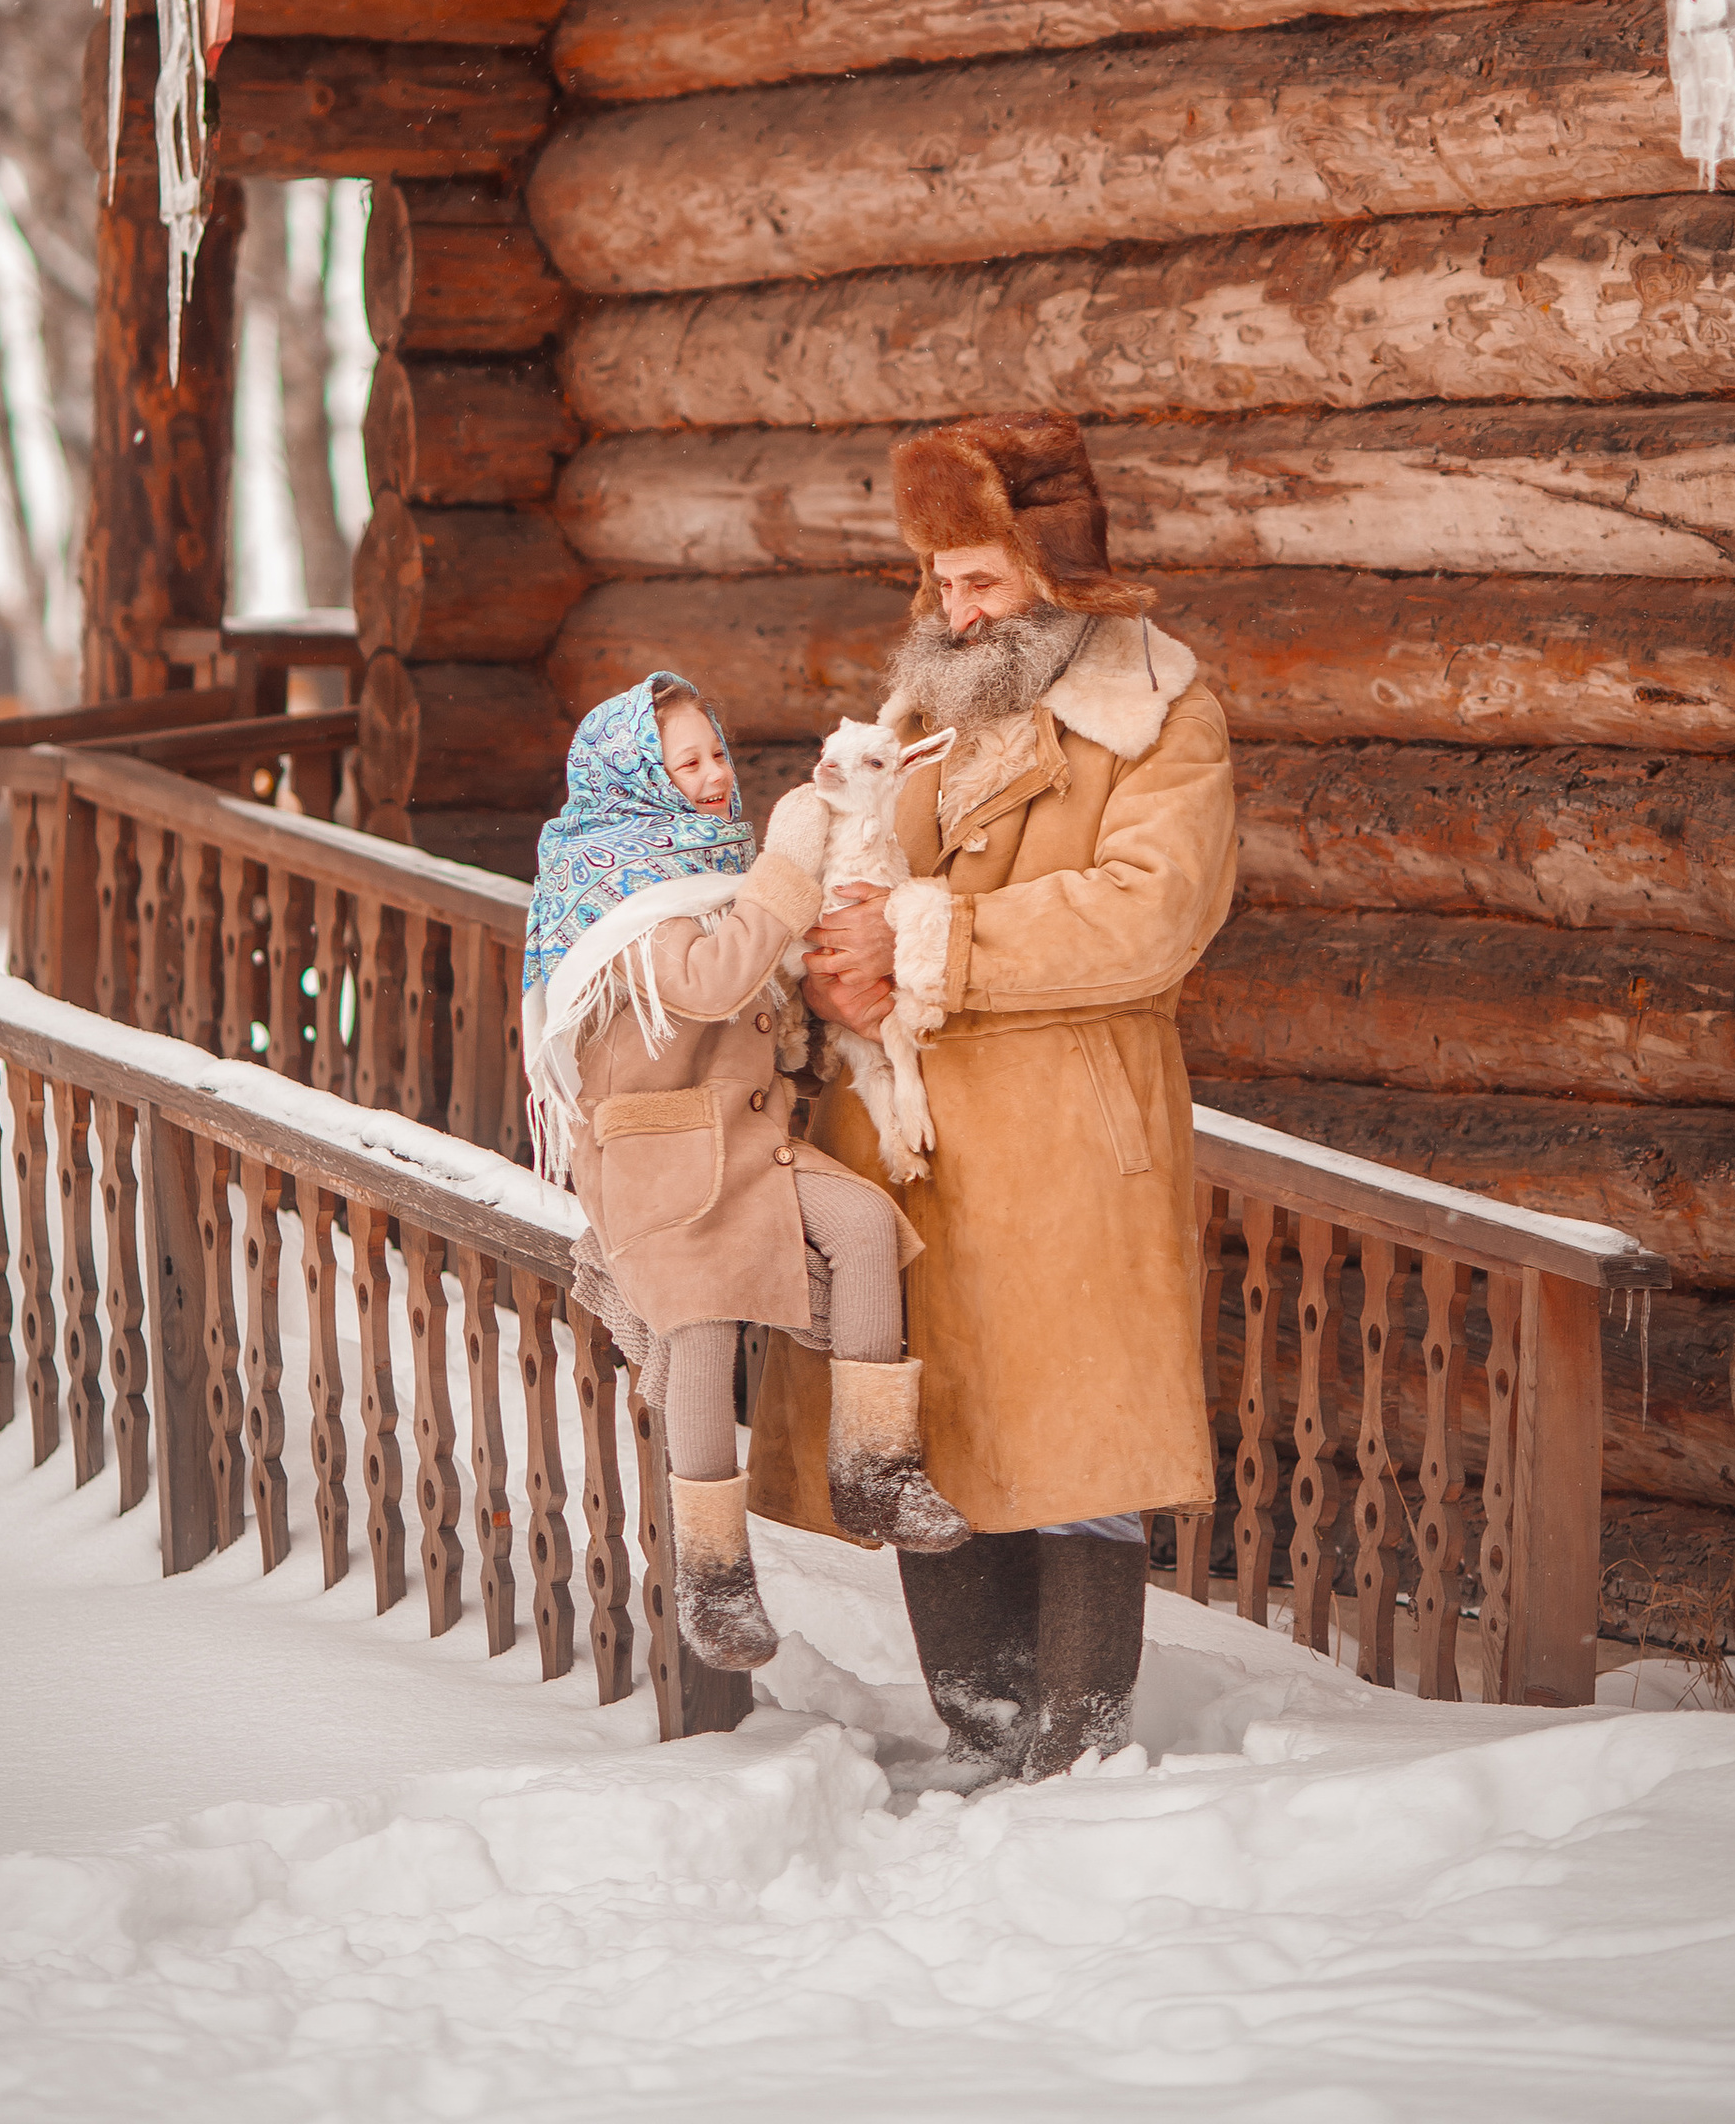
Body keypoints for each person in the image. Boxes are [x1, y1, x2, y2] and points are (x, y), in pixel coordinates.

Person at [745, 411, 1237, 1778]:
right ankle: (980, 1736)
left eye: (980, 581)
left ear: (1056, 575)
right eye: (940, 582)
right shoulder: (916, 719)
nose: (951, 612)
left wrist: (916, 945)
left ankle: (1075, 1754)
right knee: (937, 1436)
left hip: (1067, 1141)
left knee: (1076, 1446)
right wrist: (831, 961)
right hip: (912, 1144)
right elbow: (852, 875)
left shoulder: (1161, 715)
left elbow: (1150, 914)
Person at [522, 667, 966, 1673]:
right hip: (652, 1149)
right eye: (687, 762)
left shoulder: (709, 863)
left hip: (741, 1133)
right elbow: (710, 980)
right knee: (704, 1319)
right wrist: (785, 865)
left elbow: (761, 984)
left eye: (717, 752)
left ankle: (874, 1465)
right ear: (636, 777)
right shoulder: (617, 877)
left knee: (860, 1229)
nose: (716, 776)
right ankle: (713, 1576)